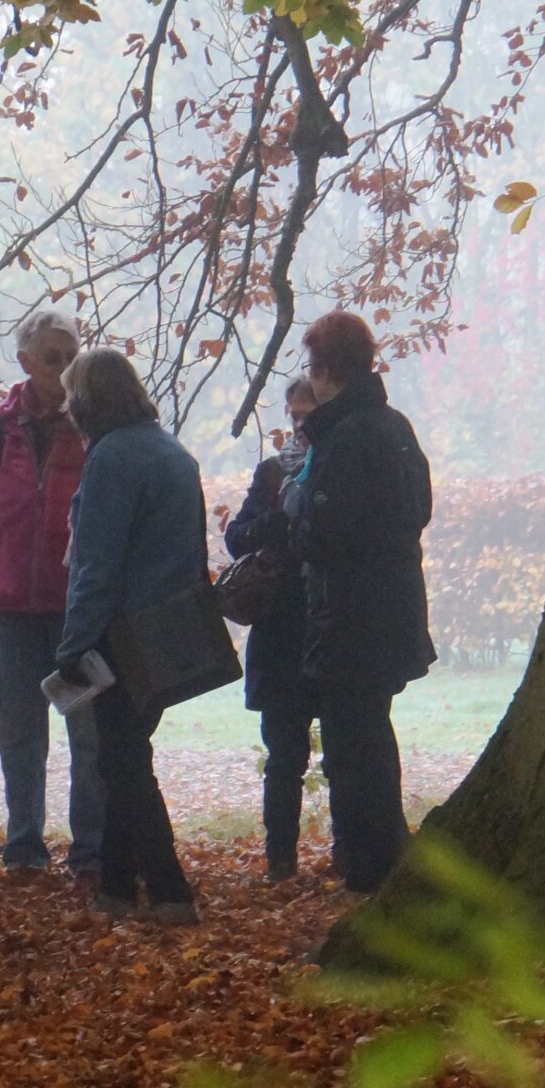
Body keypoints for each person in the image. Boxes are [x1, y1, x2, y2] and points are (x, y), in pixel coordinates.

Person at [53, 349, 205, 924]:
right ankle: (115, 889)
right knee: (123, 757)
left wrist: (73, 645)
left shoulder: (112, 458)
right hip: (170, 632)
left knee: (123, 765)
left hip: (124, 635)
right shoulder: (173, 452)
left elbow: (97, 565)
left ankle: (170, 891)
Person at [0, 310, 104, 877]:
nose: (64, 369)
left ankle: (89, 847)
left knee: (87, 733)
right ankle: (24, 844)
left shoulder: (94, 426)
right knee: (19, 733)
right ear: (25, 362)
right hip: (11, 609)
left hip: (77, 612)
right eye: (51, 358)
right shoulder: (0, 429)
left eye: (71, 357)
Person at [290, 310, 434, 894]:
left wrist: (295, 510)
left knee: (353, 747)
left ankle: (370, 866)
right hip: (394, 609)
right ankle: (378, 856)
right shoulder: (394, 426)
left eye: (313, 365)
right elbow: (416, 509)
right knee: (372, 734)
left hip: (350, 615)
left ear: (329, 369)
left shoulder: (345, 437)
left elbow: (323, 530)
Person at [226, 376, 320, 882]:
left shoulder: (338, 465)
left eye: (308, 415)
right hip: (281, 635)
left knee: (347, 752)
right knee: (284, 756)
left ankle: (352, 854)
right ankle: (279, 859)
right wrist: (276, 519)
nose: (299, 426)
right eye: (294, 415)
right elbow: (236, 537)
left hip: (328, 628)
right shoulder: (269, 473)